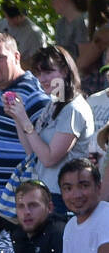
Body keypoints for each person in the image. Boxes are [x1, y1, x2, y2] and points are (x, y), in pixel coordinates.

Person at [9, 45, 95, 217]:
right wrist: (17, 117)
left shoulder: (74, 109)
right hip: (46, 195)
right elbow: (32, 152)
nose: (42, 79)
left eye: (48, 72)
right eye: (39, 73)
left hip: (65, 199)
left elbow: (49, 158)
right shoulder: (53, 104)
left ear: (64, 71)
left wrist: (26, 121)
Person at [0, 33, 52, 221]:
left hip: (21, 212)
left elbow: (45, 149)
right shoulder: (3, 92)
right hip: (2, 210)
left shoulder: (33, 91)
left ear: (17, 57)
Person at [0, 3, 49, 67]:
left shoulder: (34, 34)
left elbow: (37, 64)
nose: (16, 20)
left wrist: (12, 62)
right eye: (11, 18)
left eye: (19, 17)